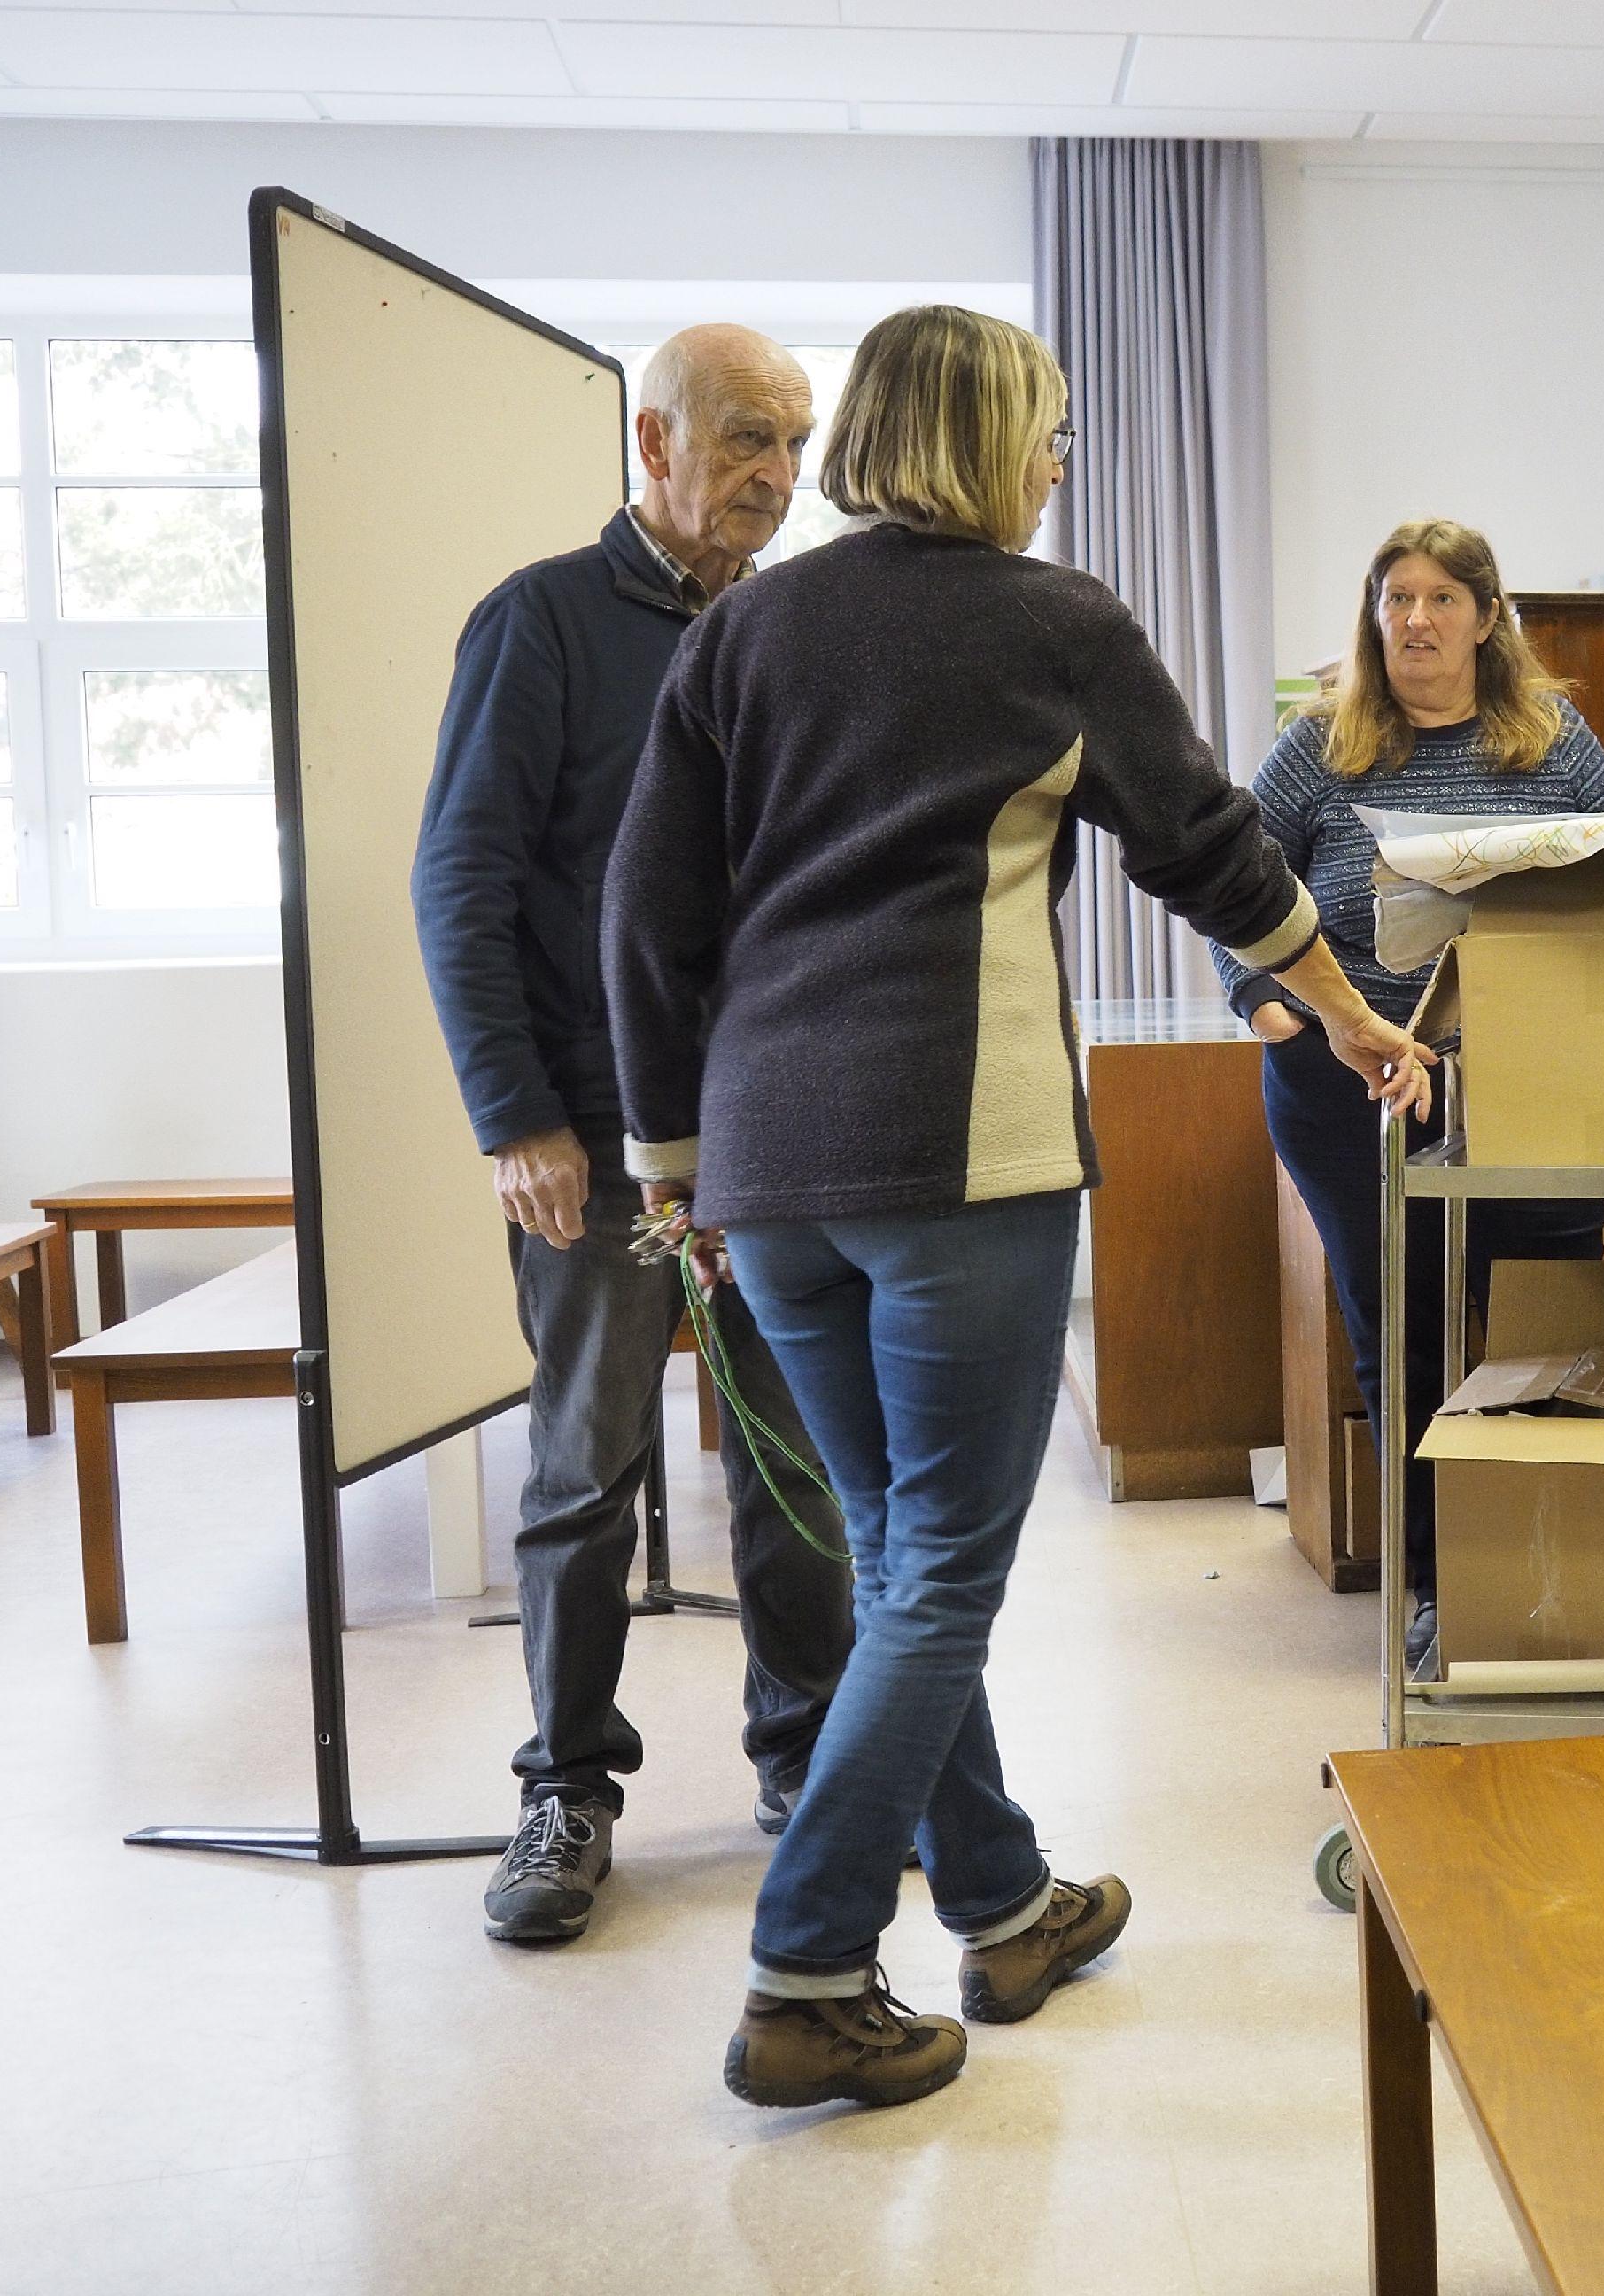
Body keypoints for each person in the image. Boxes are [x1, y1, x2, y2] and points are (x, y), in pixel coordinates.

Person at [600, 304, 1435, 2113]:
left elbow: (648, 919)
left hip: (766, 1170)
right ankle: (809, 1967)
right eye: (1048, 434)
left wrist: (674, 1169)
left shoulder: (745, 629)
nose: (1063, 465)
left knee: (901, 1561)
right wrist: (1359, 1014)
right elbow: (1207, 843)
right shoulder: (1056, 623)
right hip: (955, 1152)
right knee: (951, 1573)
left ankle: (1002, 1900)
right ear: (983, 441)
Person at [412, 323, 853, 1947]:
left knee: (797, 1464)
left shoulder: (789, 625)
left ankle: (807, 1759)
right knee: (586, 1472)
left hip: (775, 1132)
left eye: (794, 444)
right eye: (744, 437)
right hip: (593, 1139)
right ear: (653, 440)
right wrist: (515, 1113)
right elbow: (457, 878)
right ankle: (567, 1788)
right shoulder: (541, 620)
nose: (775, 475)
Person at [1215, 520, 1604, 1673]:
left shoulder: (1552, 740)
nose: (1416, 619)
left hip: (1522, 1071)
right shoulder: (1322, 744)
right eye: (1396, 597)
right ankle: (1440, 1586)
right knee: (1401, 1324)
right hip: (1350, 1070)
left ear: (1489, 618)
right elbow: (1234, 879)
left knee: (1548, 1307)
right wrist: (1265, 1002)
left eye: (1443, 597)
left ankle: (1565, 1567)